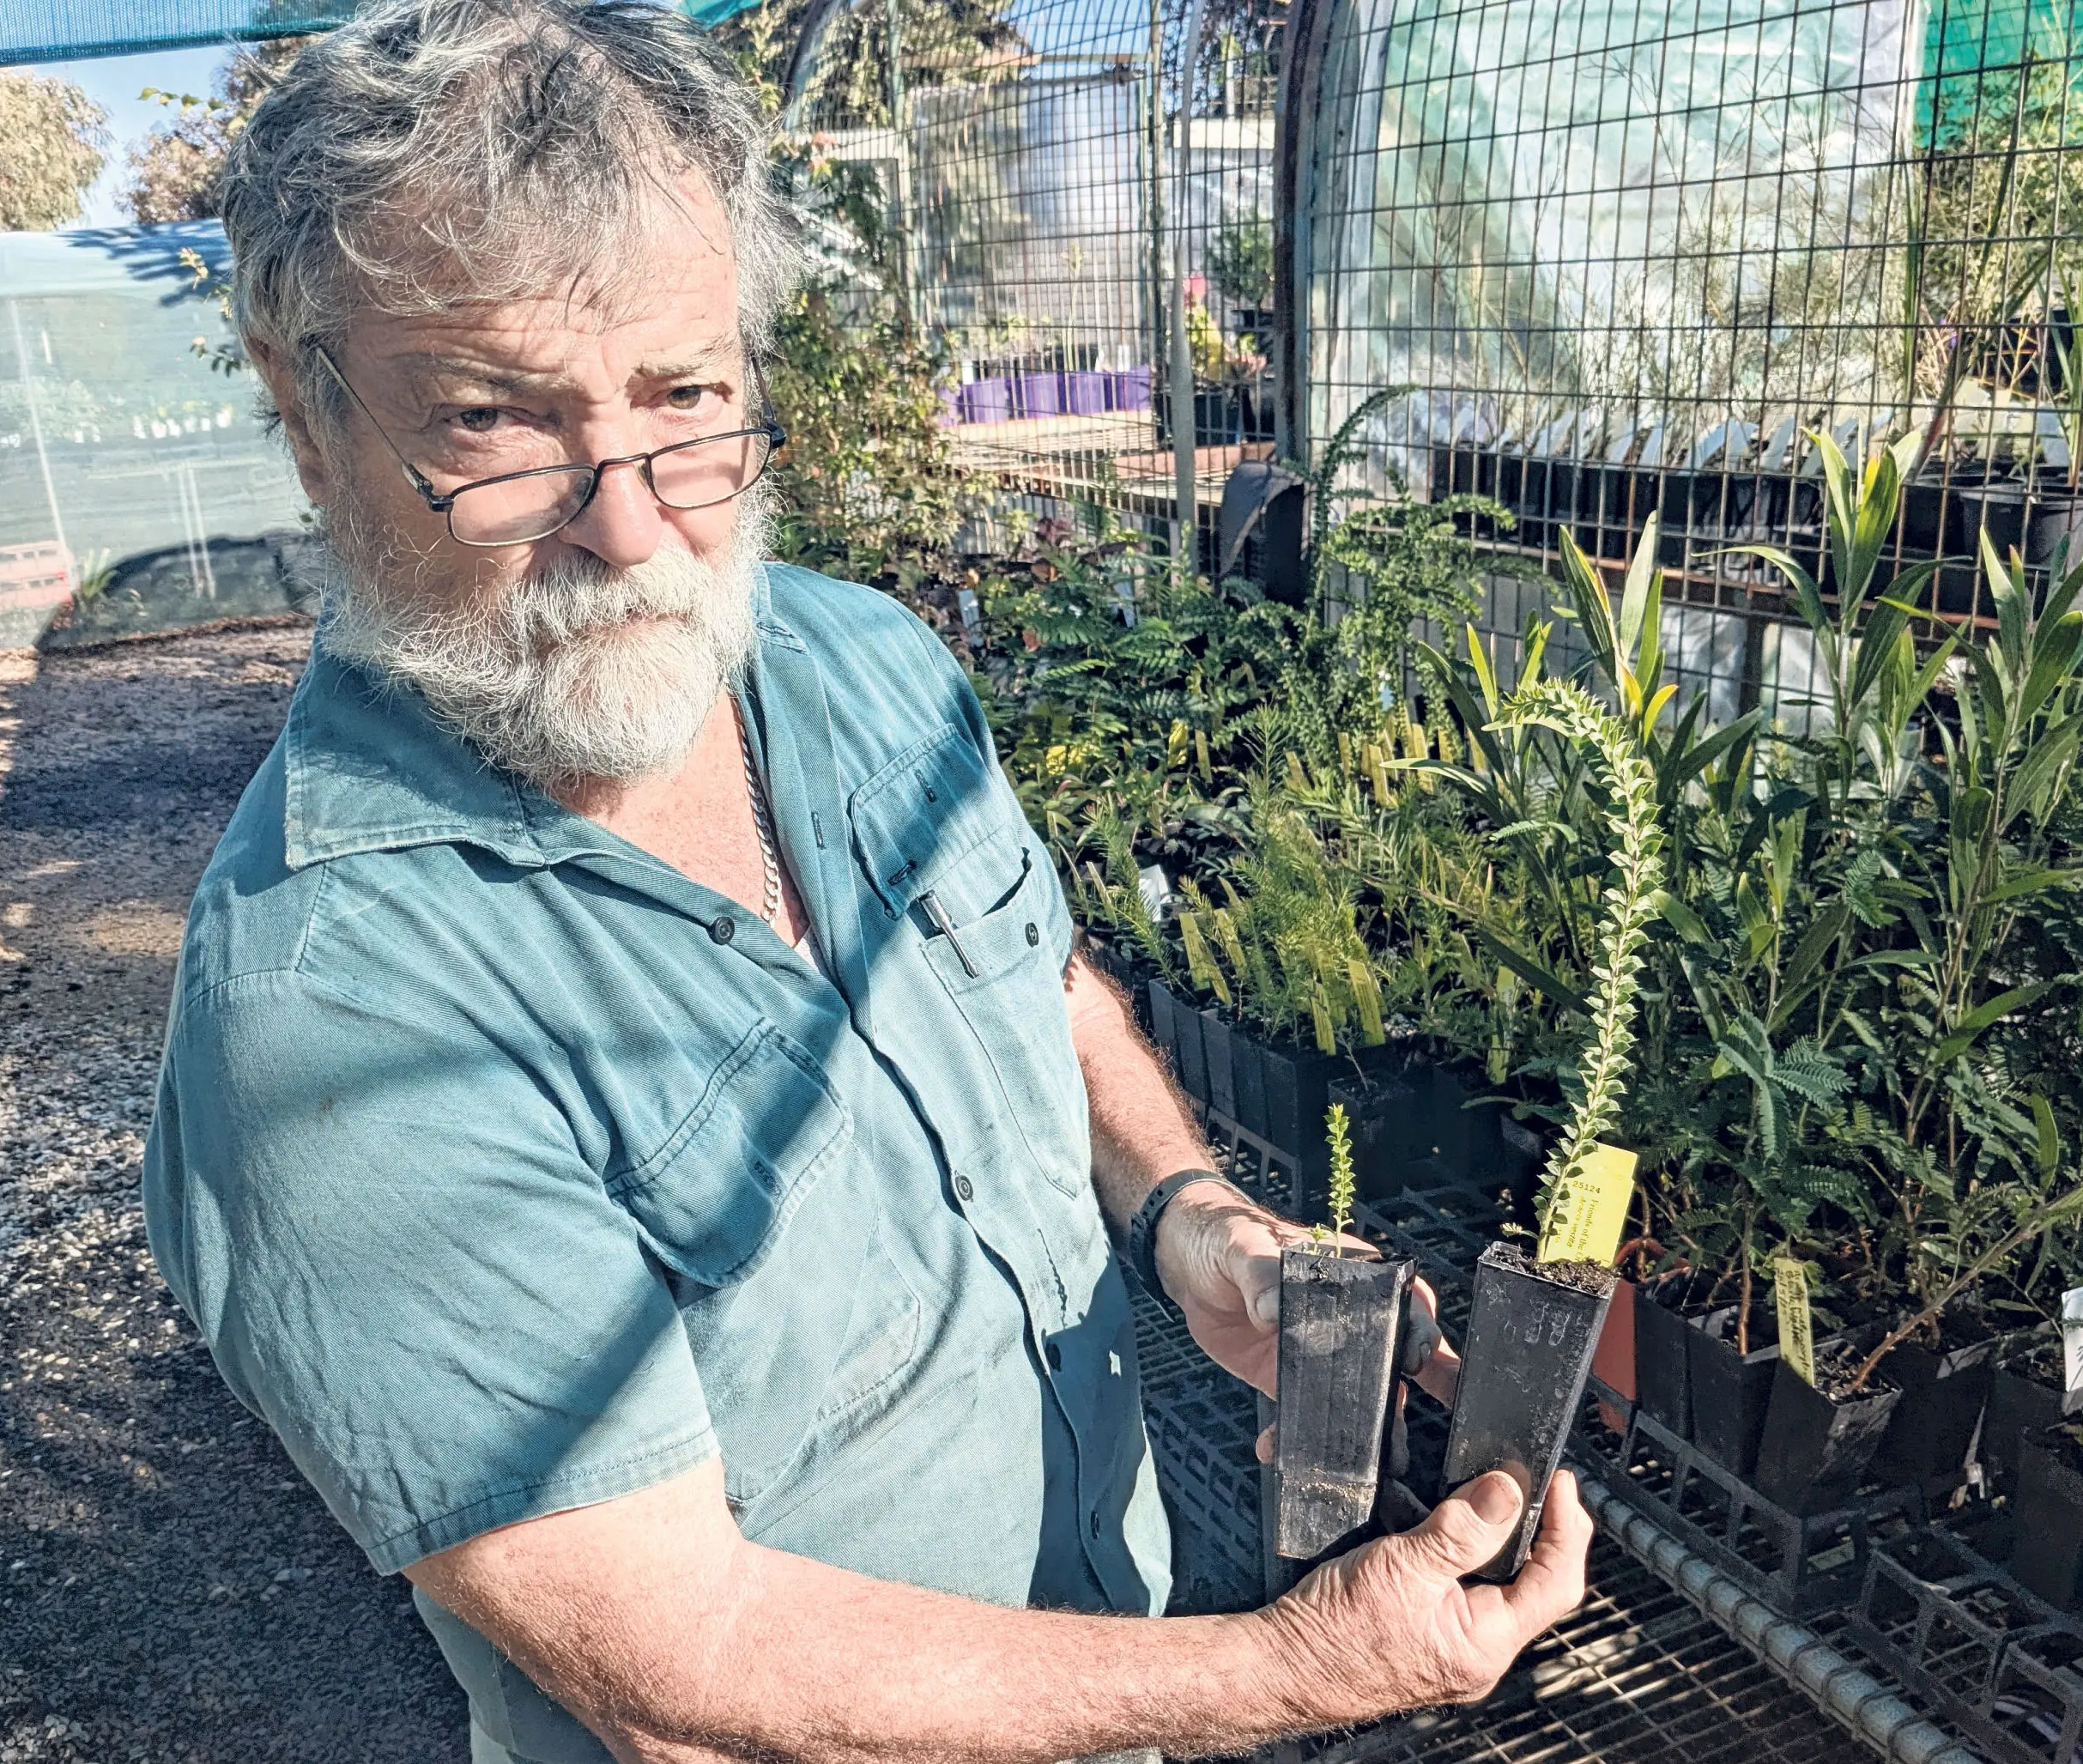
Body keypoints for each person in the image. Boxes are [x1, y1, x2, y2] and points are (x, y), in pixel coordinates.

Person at [139, 2, 1591, 1758]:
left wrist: (1185, 1217)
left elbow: (1037, 986)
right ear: (309, 420)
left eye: (684, 396)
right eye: (495, 424)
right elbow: (682, 1665)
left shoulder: (862, 665)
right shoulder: (328, 1017)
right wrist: (1285, 1671)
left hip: (1098, 1675)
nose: (630, 522)